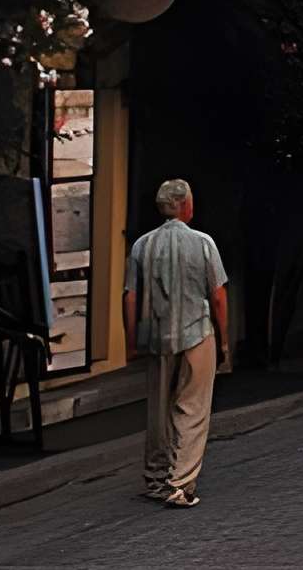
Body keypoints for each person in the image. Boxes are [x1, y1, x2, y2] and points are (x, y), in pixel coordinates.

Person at [124, 177, 231, 508]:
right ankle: (180, 483)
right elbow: (217, 295)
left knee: (158, 410)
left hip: (157, 337)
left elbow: (130, 297)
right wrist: (224, 341)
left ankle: (155, 477)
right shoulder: (203, 243)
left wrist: (132, 342)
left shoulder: (142, 245)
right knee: (193, 408)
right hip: (197, 333)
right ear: (186, 206)